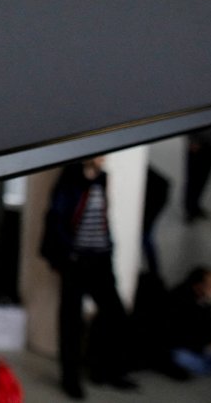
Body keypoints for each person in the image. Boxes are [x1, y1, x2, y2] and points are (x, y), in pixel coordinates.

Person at [40, 156, 137, 400]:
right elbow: (56, 217)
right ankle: (70, 379)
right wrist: (66, 255)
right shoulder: (71, 179)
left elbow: (104, 214)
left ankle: (106, 370)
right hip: (76, 260)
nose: (105, 158)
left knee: (115, 313)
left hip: (100, 257)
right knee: (71, 321)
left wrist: (109, 246)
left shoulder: (102, 178)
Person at [184, 126, 211, 222]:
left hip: (209, 144)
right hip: (197, 146)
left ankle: (195, 206)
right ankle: (190, 210)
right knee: (193, 179)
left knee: (203, 178)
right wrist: (192, 140)